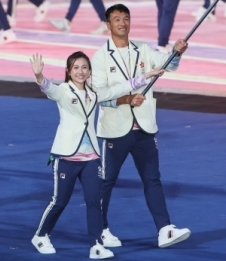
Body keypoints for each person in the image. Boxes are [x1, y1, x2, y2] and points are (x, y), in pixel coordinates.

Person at [30, 51, 162, 258]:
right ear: (68, 71)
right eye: (76, 68)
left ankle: (96, 245)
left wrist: (146, 76)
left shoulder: (94, 93)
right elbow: (49, 88)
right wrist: (39, 76)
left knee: (94, 202)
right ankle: (41, 235)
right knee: (60, 201)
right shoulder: (63, 91)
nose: (80, 71)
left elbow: (119, 88)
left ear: (89, 71)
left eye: (84, 67)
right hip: (67, 157)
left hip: (91, 158)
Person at [91, 4, 191, 249]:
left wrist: (176, 52)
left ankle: (165, 229)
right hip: (115, 129)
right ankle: (100, 230)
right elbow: (99, 95)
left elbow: (168, 65)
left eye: (126, 18)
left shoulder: (143, 49)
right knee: (106, 181)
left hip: (144, 128)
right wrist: (127, 99)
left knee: (152, 179)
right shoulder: (100, 57)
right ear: (108, 25)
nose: (122, 23)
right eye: (117, 19)